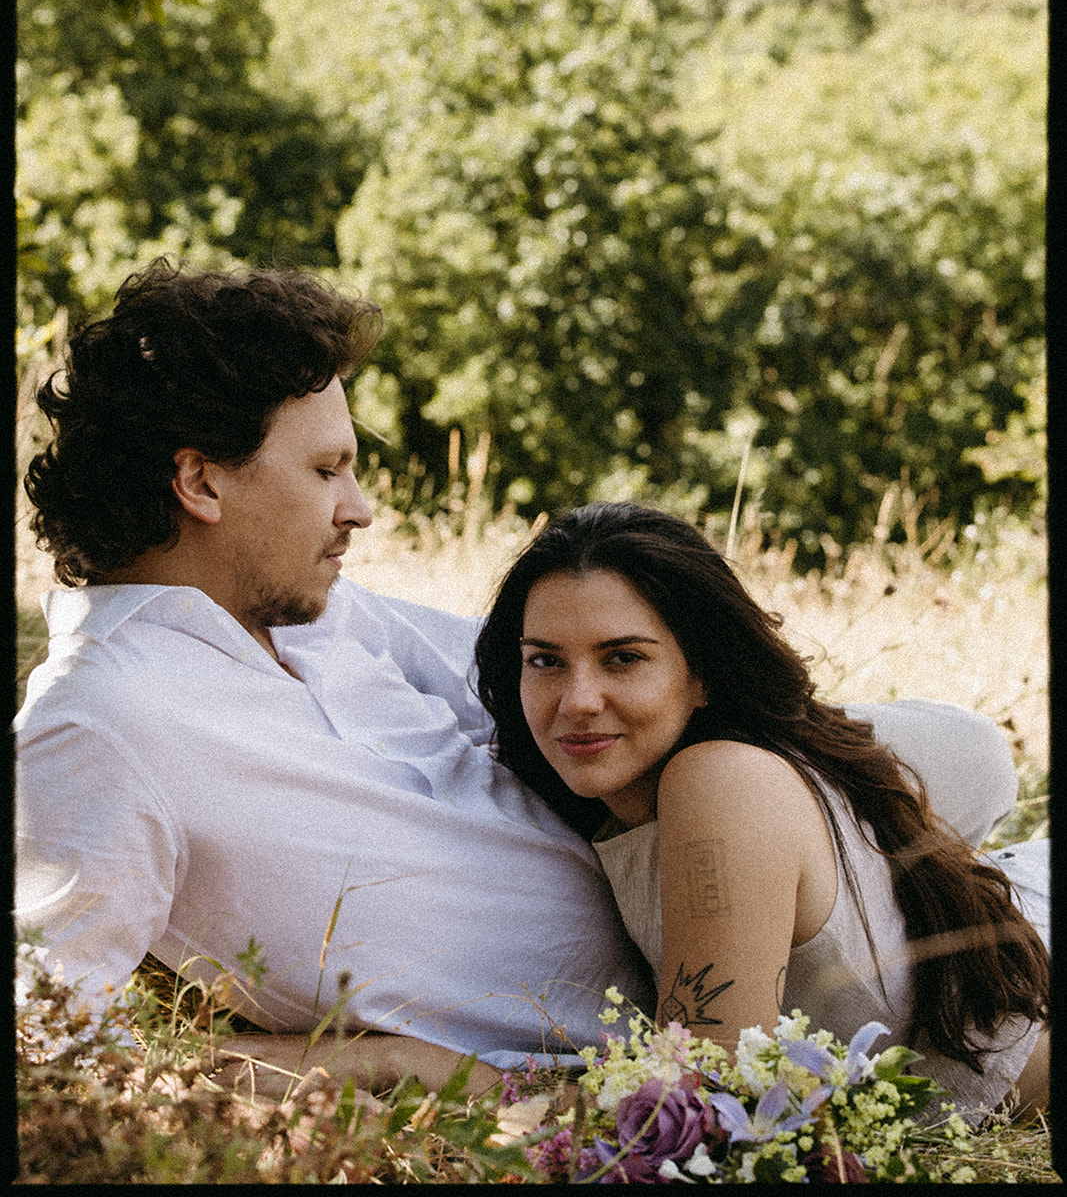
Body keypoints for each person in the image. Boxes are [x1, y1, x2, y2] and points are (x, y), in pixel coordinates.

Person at [15, 260, 654, 1100]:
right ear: (200, 482)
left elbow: (590, 697)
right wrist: (396, 1069)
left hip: (744, 913)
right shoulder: (99, 726)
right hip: (673, 1080)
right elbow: (48, 1056)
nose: (360, 509)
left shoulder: (327, 619)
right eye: (326, 471)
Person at [473, 501, 1050, 1124]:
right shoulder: (602, 809)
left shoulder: (722, 781)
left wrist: (419, 1068)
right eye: (545, 661)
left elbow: (697, 1104)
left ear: (703, 676)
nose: (578, 700)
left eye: (624, 658)